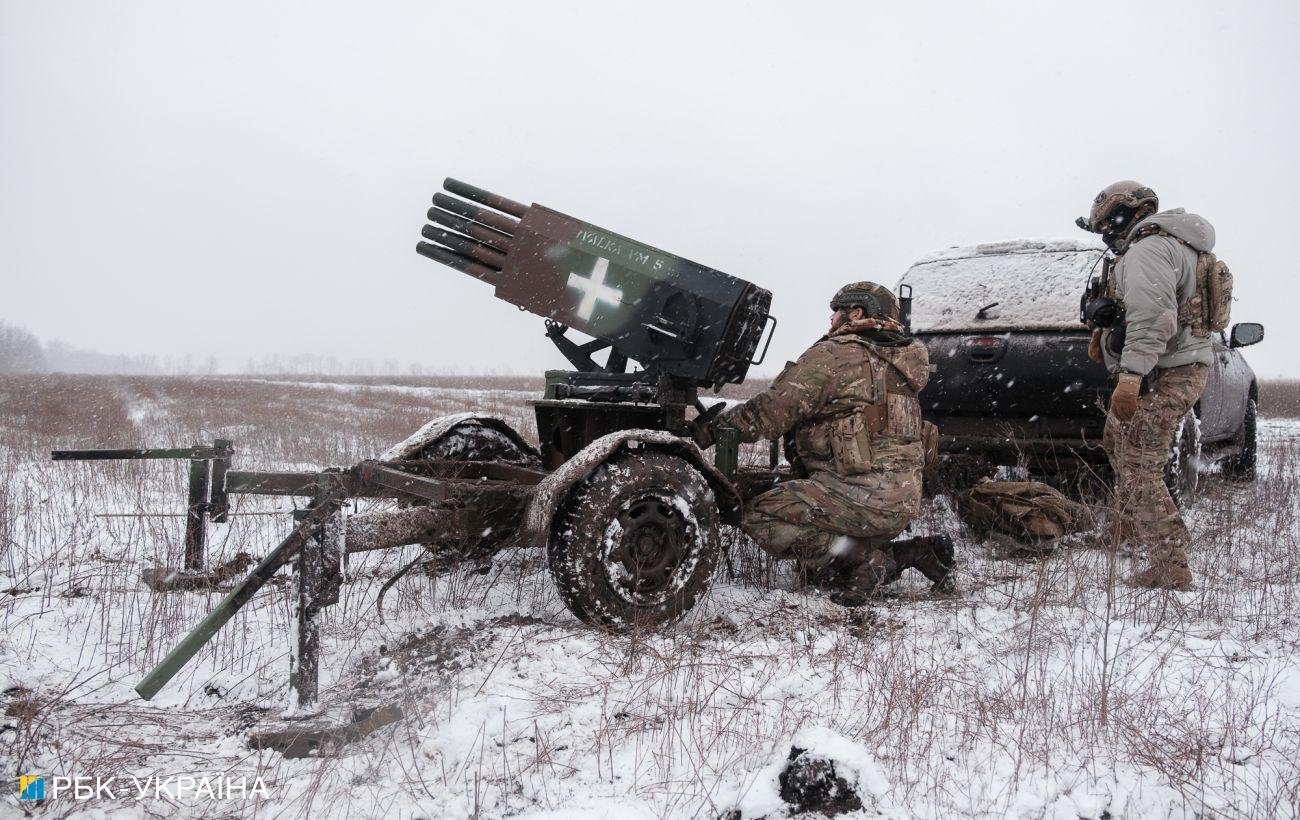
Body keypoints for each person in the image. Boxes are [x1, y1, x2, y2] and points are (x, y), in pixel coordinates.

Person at [695, 282, 954, 605]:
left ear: (856, 313)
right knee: (819, 570)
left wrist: (706, 432)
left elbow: (769, 414)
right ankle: (915, 552)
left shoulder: (835, 355)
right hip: (900, 502)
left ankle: (866, 561)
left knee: (759, 513)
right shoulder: (902, 362)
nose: (830, 320)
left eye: (835, 313)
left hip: (858, 497)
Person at [1079, 180, 1215, 589]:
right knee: (1117, 441)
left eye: (1106, 226)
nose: (1106, 235)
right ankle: (1130, 530)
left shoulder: (1150, 249)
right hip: (1171, 366)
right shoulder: (1175, 244)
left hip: (1167, 370)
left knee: (1137, 459)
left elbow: (1153, 319)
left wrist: (1131, 377)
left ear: (1123, 215)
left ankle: (1171, 564)